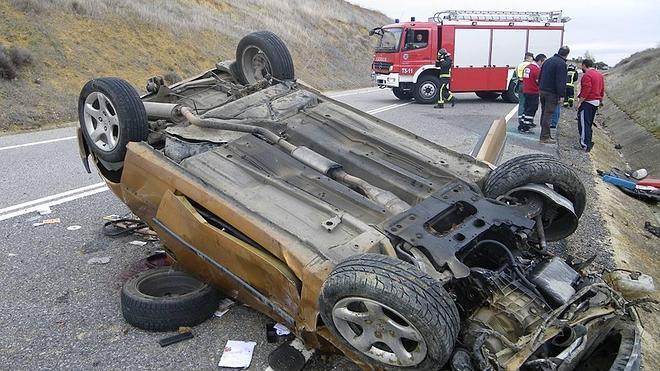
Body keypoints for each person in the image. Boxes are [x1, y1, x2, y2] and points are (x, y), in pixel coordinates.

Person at [537, 46, 570, 144]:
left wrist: (540, 87)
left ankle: (544, 133)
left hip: (543, 91)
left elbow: (540, 75)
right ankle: (545, 136)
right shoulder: (561, 64)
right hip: (552, 93)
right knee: (548, 114)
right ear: (567, 54)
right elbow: (560, 81)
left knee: (544, 112)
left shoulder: (548, 61)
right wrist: (561, 95)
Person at [575, 59, 604, 152]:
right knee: (589, 123)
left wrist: (580, 102)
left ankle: (585, 144)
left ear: (584, 65)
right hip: (596, 102)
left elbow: (586, 89)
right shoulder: (599, 75)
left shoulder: (587, 75)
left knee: (584, 124)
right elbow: (602, 89)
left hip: (588, 102)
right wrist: (601, 100)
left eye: (581, 66)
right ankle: (588, 141)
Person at [519, 54, 546, 133]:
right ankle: (526, 127)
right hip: (533, 91)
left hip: (526, 90)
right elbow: (538, 81)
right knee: (531, 109)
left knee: (526, 108)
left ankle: (522, 124)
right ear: (540, 61)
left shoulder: (528, 67)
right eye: (543, 62)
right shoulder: (536, 70)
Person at [515, 52, 534, 126]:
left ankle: (520, 119)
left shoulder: (519, 65)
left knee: (521, 103)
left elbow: (516, 75)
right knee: (529, 103)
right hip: (528, 84)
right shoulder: (530, 65)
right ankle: (527, 120)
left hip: (520, 84)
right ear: (530, 58)